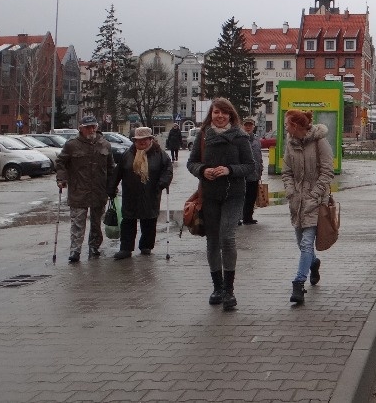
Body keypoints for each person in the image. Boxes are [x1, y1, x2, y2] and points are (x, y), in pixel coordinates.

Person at [186, 97, 254, 311]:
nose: (220, 116)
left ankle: (229, 290)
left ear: (231, 115)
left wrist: (230, 170)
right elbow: (191, 162)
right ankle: (217, 287)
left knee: (227, 236)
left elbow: (250, 166)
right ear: (211, 114)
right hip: (210, 195)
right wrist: (202, 170)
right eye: (216, 112)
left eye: (224, 113)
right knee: (213, 240)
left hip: (234, 194)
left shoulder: (241, 137)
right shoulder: (204, 135)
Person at [282, 109, 334, 304]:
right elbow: (286, 171)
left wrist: (315, 194)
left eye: (287, 124)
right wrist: (290, 191)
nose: (285, 127)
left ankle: (298, 283)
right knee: (301, 244)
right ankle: (314, 263)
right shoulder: (290, 143)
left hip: (315, 201)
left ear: (295, 126)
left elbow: (328, 172)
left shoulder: (320, 141)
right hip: (297, 201)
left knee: (306, 243)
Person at [56, 115, 116, 263]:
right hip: (78, 191)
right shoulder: (71, 145)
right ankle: (75, 250)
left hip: (98, 191)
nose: (91, 130)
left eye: (93, 126)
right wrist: (61, 179)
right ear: (81, 128)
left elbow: (111, 168)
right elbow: (61, 162)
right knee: (78, 223)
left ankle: (94, 247)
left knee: (96, 223)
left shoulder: (105, 145)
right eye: (88, 127)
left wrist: (112, 186)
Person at [108, 127, 173, 259]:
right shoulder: (128, 154)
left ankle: (146, 247)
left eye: (145, 139)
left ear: (150, 140)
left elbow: (168, 170)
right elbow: (118, 172)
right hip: (131, 194)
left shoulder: (160, 154)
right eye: (138, 140)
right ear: (134, 141)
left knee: (149, 221)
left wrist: (163, 182)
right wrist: (111, 188)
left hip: (151, 193)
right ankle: (126, 249)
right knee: (128, 221)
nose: (142, 142)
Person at [240, 117, 263, 225]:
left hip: (255, 174)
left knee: (252, 197)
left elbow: (259, 155)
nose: (248, 127)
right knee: (240, 197)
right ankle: (237, 218)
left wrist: (261, 169)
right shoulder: (239, 139)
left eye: (250, 125)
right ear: (242, 126)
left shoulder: (257, 139)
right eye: (246, 125)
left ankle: (248, 217)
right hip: (243, 174)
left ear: (254, 126)